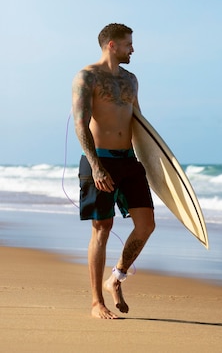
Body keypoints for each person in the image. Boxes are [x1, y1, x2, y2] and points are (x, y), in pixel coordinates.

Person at [71, 23, 155, 319]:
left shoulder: (131, 80)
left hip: (129, 159)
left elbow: (139, 122)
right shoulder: (87, 77)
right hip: (100, 159)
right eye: (128, 44)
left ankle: (116, 278)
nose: (132, 49)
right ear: (111, 45)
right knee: (102, 229)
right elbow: (81, 124)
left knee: (146, 225)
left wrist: (154, 163)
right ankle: (96, 303)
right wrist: (95, 166)